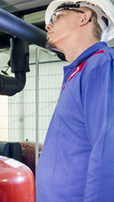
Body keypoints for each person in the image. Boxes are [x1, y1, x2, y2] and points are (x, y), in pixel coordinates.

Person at [36, 0, 114, 201]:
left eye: (58, 16)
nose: (48, 25)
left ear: (84, 17)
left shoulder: (102, 65)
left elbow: (109, 152)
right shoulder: (78, 73)